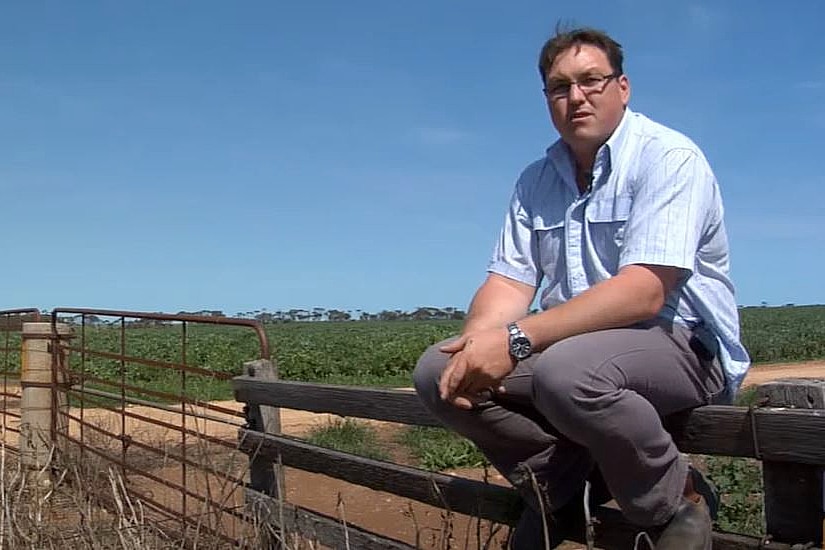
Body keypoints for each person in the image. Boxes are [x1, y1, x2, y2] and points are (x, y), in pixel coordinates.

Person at [413, 25, 750, 550]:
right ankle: (560, 488)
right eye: (559, 86)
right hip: (573, 348)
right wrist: (480, 345)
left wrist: (516, 341)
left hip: (682, 342)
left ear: (623, 87)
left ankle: (675, 498)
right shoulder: (536, 179)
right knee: (439, 370)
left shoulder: (669, 157)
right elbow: (508, 281)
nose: (576, 97)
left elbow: (644, 292)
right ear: (546, 97)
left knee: (567, 374)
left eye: (591, 80)